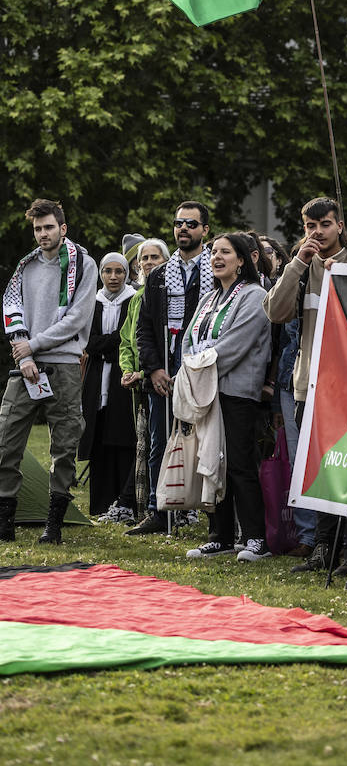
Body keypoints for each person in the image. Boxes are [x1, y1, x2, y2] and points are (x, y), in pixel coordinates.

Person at [264, 197, 347, 573]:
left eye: (325, 225)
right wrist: (298, 262)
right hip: (308, 385)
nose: (318, 233)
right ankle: (323, 548)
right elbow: (275, 311)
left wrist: (343, 279)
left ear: (341, 225)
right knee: (320, 470)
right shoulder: (300, 268)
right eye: (311, 226)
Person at [0, 199, 98, 543]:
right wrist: (24, 354)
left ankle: (53, 525)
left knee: (65, 446)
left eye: (49, 227)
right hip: (25, 364)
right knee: (6, 440)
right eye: (38, 229)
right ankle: (4, 523)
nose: (43, 234)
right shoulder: (25, 266)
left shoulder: (84, 264)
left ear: (63, 228)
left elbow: (78, 319)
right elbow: (12, 307)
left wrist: (34, 345)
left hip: (65, 365)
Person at [183, 232, 273, 563]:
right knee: (211, 464)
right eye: (214, 253)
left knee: (239, 464)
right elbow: (187, 340)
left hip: (237, 392)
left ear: (242, 260)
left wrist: (197, 365)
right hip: (206, 393)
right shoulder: (208, 298)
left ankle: (255, 538)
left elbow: (236, 345)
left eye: (225, 252)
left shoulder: (255, 295)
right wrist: (191, 366)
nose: (217, 257)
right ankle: (219, 536)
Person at [130, 201, 212, 535]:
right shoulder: (160, 276)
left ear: (205, 229)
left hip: (201, 366)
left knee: (207, 443)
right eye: (178, 223)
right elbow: (144, 329)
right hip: (163, 368)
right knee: (159, 441)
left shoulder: (218, 268)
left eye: (191, 223)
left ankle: (213, 516)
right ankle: (158, 509)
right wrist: (153, 369)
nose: (183, 229)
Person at [79, 252, 137, 518]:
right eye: (108, 271)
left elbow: (128, 340)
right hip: (96, 380)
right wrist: (108, 344)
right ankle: (100, 503)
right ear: (101, 273)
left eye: (119, 272)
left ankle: (124, 503)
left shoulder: (133, 300)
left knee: (122, 436)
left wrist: (104, 346)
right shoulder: (93, 302)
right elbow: (86, 340)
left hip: (121, 379)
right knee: (99, 437)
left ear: (127, 274)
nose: (113, 277)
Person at [118, 237, 170, 522]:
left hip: (161, 378)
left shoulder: (170, 292)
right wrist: (128, 369)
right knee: (148, 446)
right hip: (141, 383)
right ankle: (148, 509)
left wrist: (146, 370)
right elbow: (127, 340)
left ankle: (173, 508)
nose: (148, 263)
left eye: (155, 258)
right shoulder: (136, 297)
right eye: (144, 259)